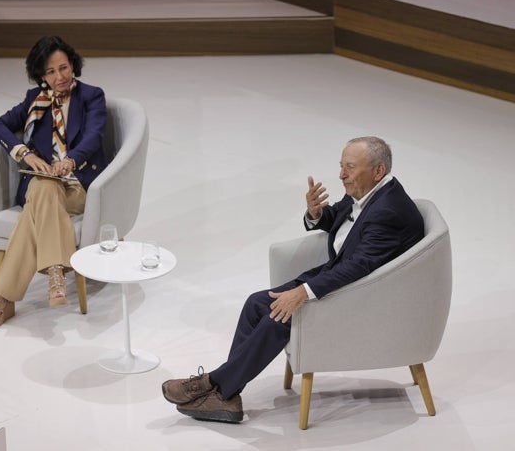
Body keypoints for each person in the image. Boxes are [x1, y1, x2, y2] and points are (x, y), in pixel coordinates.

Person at [161, 136, 424, 423]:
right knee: (256, 304)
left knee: (278, 317)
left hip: (359, 298)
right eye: (341, 166)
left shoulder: (390, 211)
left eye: (349, 167)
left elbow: (359, 267)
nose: (341, 175)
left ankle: (211, 385)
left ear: (378, 170)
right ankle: (226, 396)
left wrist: (303, 292)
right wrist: (317, 213)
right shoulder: (367, 192)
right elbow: (340, 219)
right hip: (337, 279)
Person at [0, 35, 109, 330]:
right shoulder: (34, 101)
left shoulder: (91, 97)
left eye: (64, 67)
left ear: (73, 65)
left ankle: (2, 297)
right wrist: (23, 153)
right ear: (41, 75)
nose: (60, 77)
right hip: (45, 185)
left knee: (41, 195)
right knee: (45, 186)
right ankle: (56, 272)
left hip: (78, 187)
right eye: (51, 71)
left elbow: (94, 136)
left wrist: (70, 160)